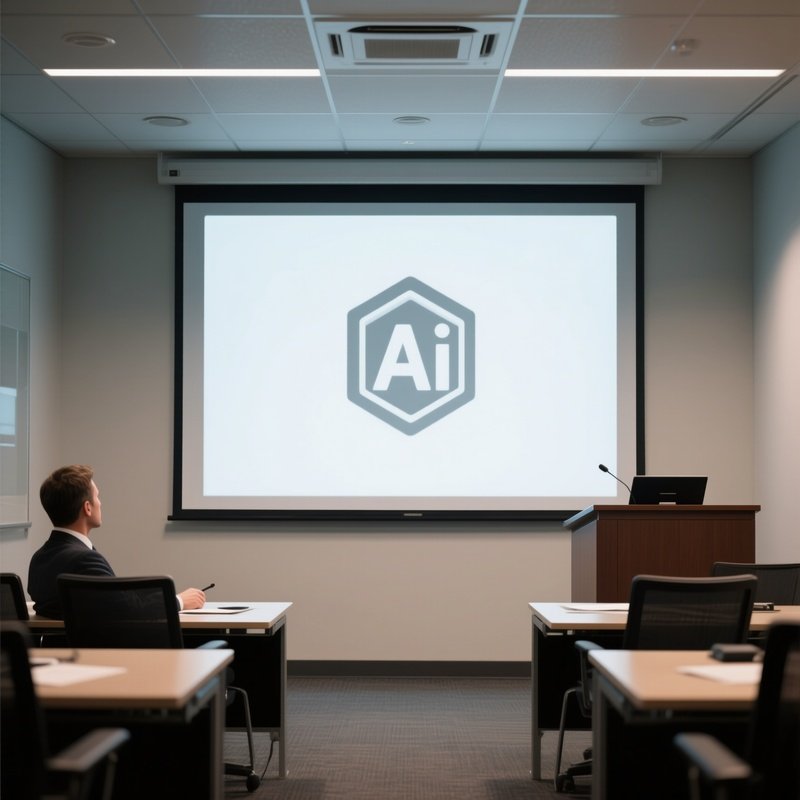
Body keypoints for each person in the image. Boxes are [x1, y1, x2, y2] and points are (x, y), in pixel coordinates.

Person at [27, 464, 206, 618]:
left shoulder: (39, 558)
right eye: (97, 496)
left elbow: (115, 600)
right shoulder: (84, 560)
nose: (100, 503)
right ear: (87, 508)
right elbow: (129, 611)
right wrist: (179, 601)